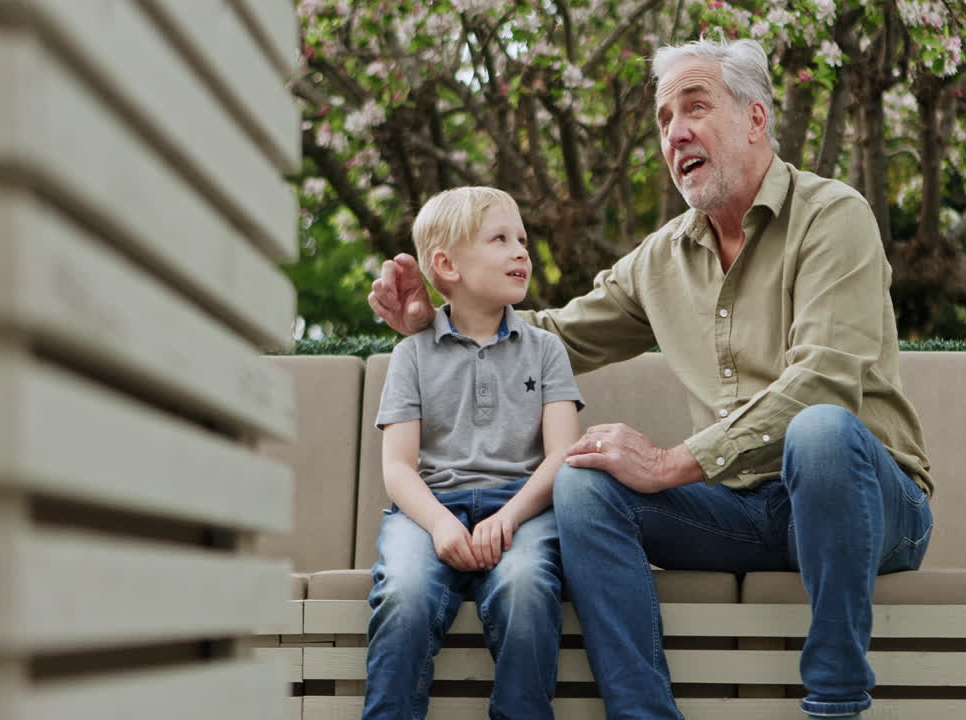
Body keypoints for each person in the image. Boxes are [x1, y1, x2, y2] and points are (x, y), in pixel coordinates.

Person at [370, 36, 934, 720]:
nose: (675, 133)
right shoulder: (661, 259)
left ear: (756, 118)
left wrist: (672, 462)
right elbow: (551, 337)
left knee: (817, 432)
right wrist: (439, 319)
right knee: (582, 477)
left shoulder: (833, 216)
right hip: (742, 511)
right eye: (665, 120)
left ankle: (836, 702)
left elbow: (823, 382)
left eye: (695, 108)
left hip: (865, 504)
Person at [363, 186, 583, 720]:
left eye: (523, 240)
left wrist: (508, 518)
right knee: (407, 592)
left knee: (527, 586)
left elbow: (562, 457)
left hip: (523, 508)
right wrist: (440, 526)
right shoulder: (411, 354)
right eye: (500, 239)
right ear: (446, 264)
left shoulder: (546, 348)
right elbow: (398, 467)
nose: (521, 252)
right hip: (430, 509)